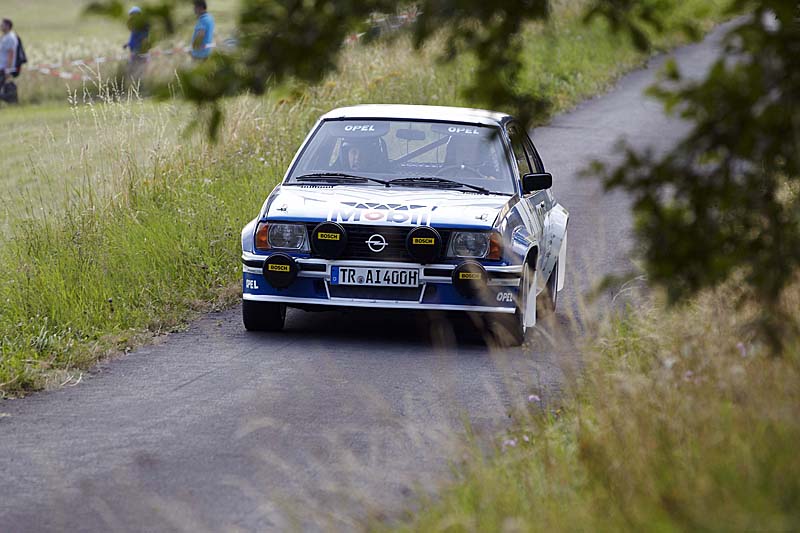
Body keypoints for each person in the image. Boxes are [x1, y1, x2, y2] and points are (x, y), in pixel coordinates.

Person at [123, 7, 150, 83]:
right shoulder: (135, 28)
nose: (132, 17)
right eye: (131, 15)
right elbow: (134, 40)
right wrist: (128, 44)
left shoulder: (142, 27)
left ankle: (140, 85)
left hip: (140, 53)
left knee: (138, 71)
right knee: (133, 71)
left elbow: (143, 39)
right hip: (135, 52)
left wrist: (137, 49)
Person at [0, 18, 19, 104]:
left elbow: (11, 54)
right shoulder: (5, 37)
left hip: (4, 68)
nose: (0, 26)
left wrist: (8, 70)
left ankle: (11, 99)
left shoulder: (10, 38)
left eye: (2, 25)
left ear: (7, 26)